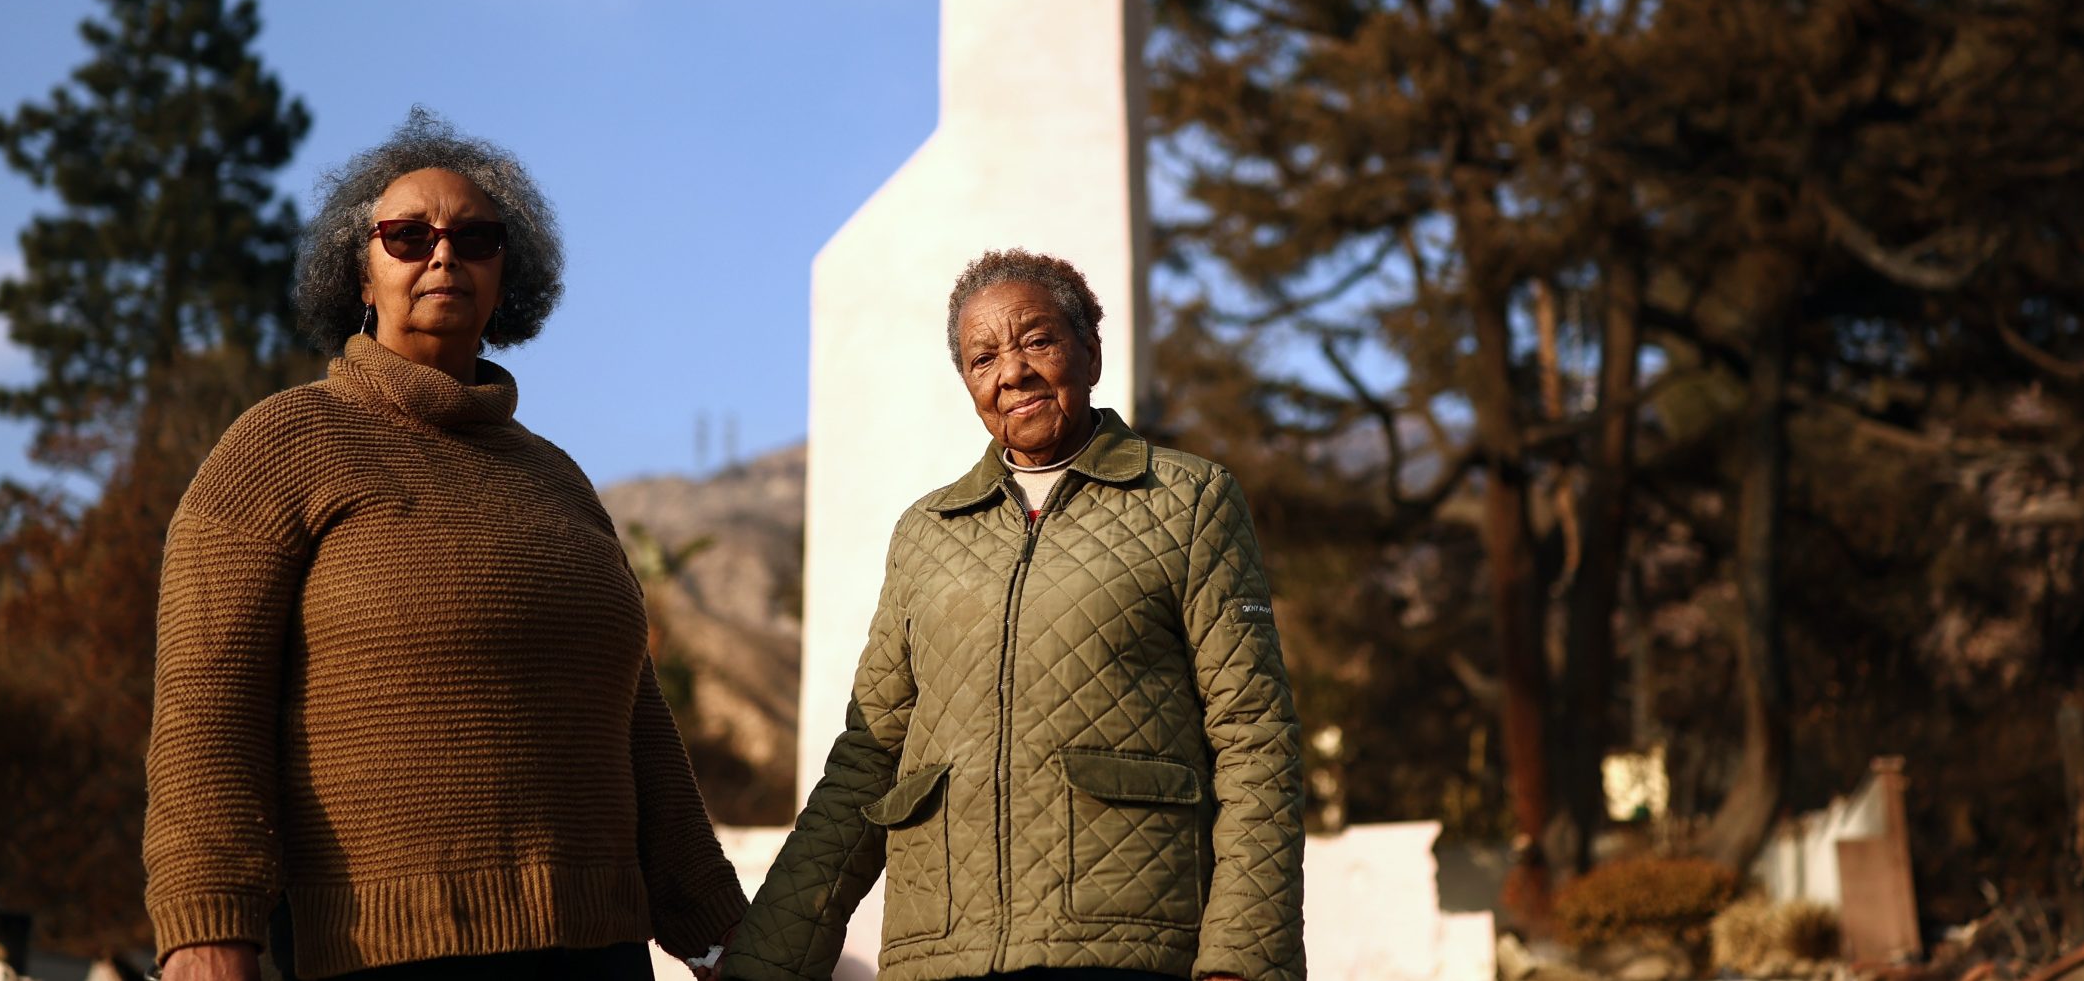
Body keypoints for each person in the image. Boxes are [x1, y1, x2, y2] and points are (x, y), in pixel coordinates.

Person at [144, 112, 746, 981]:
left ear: (509, 273)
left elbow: (636, 724)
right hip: (382, 950)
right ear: (361, 268)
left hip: (599, 953)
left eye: (475, 236)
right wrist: (207, 927)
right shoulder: (282, 444)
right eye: (407, 235)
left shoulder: (560, 479)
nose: (442, 253)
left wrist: (723, 930)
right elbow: (205, 707)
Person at [722, 250, 1304, 981]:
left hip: (1125, 943)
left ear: (1089, 348)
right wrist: (762, 964)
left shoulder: (1189, 501)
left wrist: (1244, 959)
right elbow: (868, 759)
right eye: (982, 357)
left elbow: (1255, 737)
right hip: (939, 954)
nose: (1013, 371)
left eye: (1036, 339)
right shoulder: (926, 531)